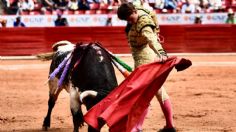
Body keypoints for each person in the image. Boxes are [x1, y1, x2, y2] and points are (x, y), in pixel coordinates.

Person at [117, 2, 176, 132]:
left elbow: (152, 39)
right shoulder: (138, 11)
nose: (129, 21)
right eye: (126, 19)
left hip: (145, 59)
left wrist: (161, 52)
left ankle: (137, 127)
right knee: (159, 92)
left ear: (133, 11)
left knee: (142, 94)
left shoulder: (144, 22)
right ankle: (170, 126)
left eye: (129, 18)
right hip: (144, 56)